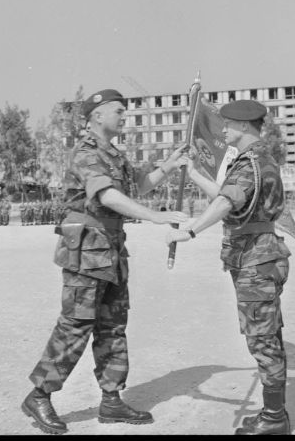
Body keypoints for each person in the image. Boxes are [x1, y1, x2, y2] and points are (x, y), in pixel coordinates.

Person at [22, 89, 188, 435]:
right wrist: (154, 217)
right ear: (97, 115)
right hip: (87, 250)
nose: (123, 116)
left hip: (110, 248)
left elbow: (138, 185)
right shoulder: (87, 152)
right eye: (118, 111)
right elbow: (108, 196)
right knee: (76, 324)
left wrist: (168, 167)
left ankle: (111, 399)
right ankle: (39, 395)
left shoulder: (114, 155)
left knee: (112, 324)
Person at [166, 99, 292, 435]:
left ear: (245, 126)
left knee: (262, 339)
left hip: (256, 261)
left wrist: (191, 230)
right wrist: (192, 174)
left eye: (228, 125)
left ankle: (274, 418)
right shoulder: (253, 161)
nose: (223, 130)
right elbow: (227, 193)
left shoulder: (252, 162)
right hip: (258, 259)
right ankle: (273, 412)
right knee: (266, 336)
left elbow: (226, 201)